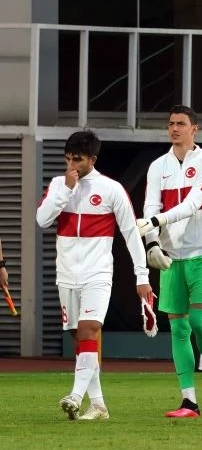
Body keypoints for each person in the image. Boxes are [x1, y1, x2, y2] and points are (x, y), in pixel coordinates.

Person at [36, 130, 152, 420]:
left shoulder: (111, 189)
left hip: (98, 273)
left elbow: (130, 234)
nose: (72, 164)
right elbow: (42, 220)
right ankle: (99, 404)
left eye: (78, 159)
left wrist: (141, 276)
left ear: (93, 159)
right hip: (65, 273)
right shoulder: (58, 185)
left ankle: (75, 396)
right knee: (80, 337)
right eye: (68, 159)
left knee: (89, 330)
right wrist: (65, 189)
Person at [137, 105, 202, 418]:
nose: (174, 128)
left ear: (195, 129)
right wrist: (152, 245)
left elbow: (192, 204)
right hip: (172, 257)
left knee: (200, 324)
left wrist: (154, 221)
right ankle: (189, 400)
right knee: (177, 330)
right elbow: (150, 204)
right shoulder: (157, 166)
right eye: (171, 123)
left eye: (181, 123)